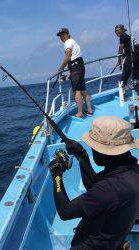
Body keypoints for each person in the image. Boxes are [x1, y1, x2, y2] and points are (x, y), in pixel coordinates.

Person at [49, 116, 139, 249]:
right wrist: (82, 156)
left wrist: (57, 175)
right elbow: (95, 188)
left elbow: (65, 212)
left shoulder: (110, 188)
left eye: (94, 147)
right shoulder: (132, 170)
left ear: (105, 152)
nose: (92, 149)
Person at [57, 28, 93, 118]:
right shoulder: (73, 42)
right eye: (60, 35)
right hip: (79, 65)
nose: (61, 37)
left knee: (76, 90)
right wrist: (70, 71)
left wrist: (61, 69)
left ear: (68, 34)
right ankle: (89, 110)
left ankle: (80, 113)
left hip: (76, 67)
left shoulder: (67, 42)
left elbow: (68, 57)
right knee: (83, 89)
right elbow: (74, 57)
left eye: (63, 34)